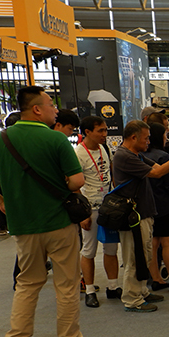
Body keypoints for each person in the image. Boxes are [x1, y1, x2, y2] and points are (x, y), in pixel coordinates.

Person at [0, 85, 90, 337]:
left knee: (27, 284)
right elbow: (77, 181)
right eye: (50, 104)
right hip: (59, 223)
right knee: (66, 284)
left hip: (23, 226)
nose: (55, 110)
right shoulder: (56, 139)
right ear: (37, 109)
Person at [111, 120, 169, 312]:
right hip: (133, 216)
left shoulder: (135, 154)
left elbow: (157, 167)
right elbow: (158, 172)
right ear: (133, 137)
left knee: (145, 255)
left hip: (143, 214)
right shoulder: (124, 156)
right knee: (134, 258)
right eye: (146, 138)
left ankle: (141, 291)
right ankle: (132, 299)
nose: (148, 142)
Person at [75, 115, 120, 307]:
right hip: (90, 209)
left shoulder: (104, 148)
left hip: (108, 206)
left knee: (111, 247)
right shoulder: (78, 153)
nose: (104, 134)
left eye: (105, 130)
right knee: (89, 250)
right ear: (87, 132)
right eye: (100, 130)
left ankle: (113, 287)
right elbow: (75, 186)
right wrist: (82, 214)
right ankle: (90, 290)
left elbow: (110, 174)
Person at [143, 122, 169, 292]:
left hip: (147, 207)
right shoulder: (163, 157)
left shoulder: (140, 156)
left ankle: (156, 279)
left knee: (153, 244)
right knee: (168, 245)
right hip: (165, 206)